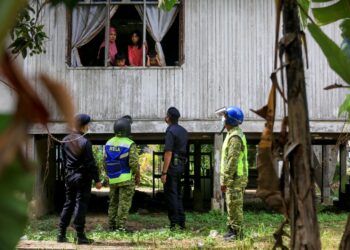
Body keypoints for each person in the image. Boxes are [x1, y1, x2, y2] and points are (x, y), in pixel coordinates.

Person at [57, 114, 102, 244]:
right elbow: (90, 163)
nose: (89, 126)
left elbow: (64, 161)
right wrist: (97, 180)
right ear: (84, 125)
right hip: (82, 176)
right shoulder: (85, 141)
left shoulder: (65, 140)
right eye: (88, 124)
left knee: (68, 203)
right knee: (80, 204)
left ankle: (61, 233)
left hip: (69, 176)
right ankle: (80, 235)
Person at [105, 117, 140, 232]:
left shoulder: (108, 143)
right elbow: (133, 163)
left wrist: (109, 174)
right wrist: (137, 175)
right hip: (126, 179)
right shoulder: (129, 144)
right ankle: (120, 228)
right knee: (123, 204)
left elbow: (104, 162)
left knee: (113, 203)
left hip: (113, 178)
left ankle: (111, 226)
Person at [219, 106, 248, 241]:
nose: (223, 121)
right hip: (233, 178)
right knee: (231, 205)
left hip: (235, 178)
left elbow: (232, 161)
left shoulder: (235, 137)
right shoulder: (232, 134)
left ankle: (237, 234)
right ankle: (231, 230)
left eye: (224, 118)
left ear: (230, 120)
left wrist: (225, 180)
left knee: (235, 206)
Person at [161, 107, 188, 230]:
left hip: (172, 166)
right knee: (177, 195)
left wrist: (164, 172)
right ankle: (181, 222)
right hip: (181, 166)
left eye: (166, 115)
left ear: (169, 117)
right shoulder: (183, 131)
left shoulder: (170, 131)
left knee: (171, 195)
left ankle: (174, 224)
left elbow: (168, 152)